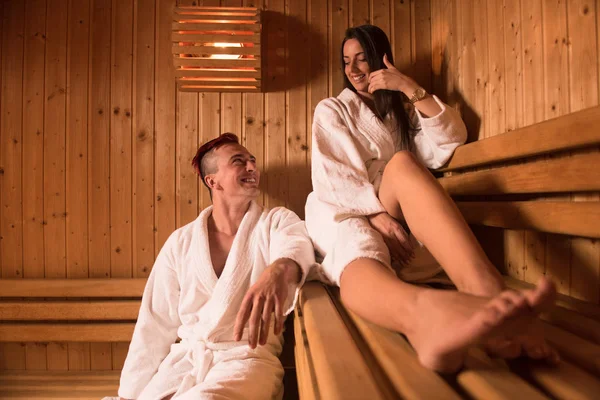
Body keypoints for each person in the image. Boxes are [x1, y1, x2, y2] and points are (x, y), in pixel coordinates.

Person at [305, 25, 558, 373]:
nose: (353, 69)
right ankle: (423, 318)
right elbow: (333, 176)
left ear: (381, 59)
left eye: (362, 59)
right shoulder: (333, 109)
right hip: (344, 209)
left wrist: (407, 87)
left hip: (396, 210)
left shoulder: (402, 113)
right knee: (356, 244)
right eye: (346, 61)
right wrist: (375, 215)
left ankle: (490, 292)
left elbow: (449, 142)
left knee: (405, 162)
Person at [113, 133, 314, 399]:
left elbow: (296, 244)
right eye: (239, 161)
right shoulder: (181, 242)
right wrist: (129, 392)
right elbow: (155, 322)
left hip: (247, 360)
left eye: (252, 161)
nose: (252, 167)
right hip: (188, 360)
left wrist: (279, 269)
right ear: (212, 180)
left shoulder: (275, 222)